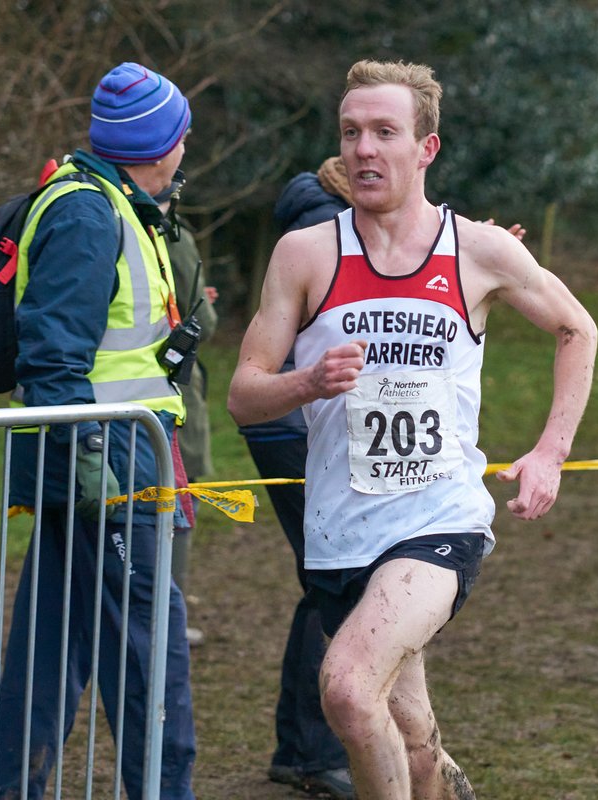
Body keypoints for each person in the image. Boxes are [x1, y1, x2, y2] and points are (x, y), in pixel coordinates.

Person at [228, 59, 597, 798]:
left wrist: (550, 453)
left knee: (346, 687)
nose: (364, 149)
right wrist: (307, 382)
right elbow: (243, 395)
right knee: (414, 743)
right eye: (351, 132)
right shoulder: (305, 254)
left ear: (425, 149)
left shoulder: (479, 250)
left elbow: (575, 328)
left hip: (438, 522)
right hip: (340, 530)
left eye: (384, 133)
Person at [0, 62, 196, 799]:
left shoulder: (112, 204)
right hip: (108, 464)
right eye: (182, 135)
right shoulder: (86, 213)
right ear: (161, 143)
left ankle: (12, 790)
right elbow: (52, 356)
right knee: (149, 654)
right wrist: (92, 465)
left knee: (49, 649)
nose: (185, 150)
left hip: (105, 456)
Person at [238, 158, 355, 800]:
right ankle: (313, 751)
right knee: (334, 579)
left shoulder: (330, 215)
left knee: (326, 578)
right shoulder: (327, 226)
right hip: (292, 420)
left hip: (294, 420)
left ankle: (301, 747)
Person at [158, 176, 219, 648]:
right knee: (180, 497)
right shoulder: (172, 233)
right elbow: (205, 319)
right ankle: (167, 617)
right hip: (172, 391)